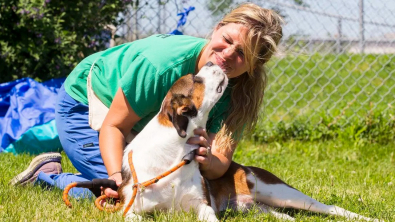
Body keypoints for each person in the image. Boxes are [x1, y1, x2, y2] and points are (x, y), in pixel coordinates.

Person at [11, 3, 283, 199]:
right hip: (89, 101)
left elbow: (220, 163)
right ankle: (46, 176)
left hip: (141, 122)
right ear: (217, 28)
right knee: (128, 194)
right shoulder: (162, 65)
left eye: (243, 54)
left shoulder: (236, 92)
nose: (227, 55)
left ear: (255, 65)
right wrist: (117, 177)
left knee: (167, 192)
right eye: (227, 40)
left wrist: (208, 160)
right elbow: (114, 126)